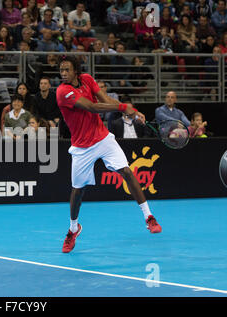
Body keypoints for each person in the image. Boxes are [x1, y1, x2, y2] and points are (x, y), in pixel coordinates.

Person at [56, 56, 161, 254]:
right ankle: (73, 229)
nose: (63, 74)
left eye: (67, 70)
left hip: (103, 139)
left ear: (76, 70)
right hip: (82, 147)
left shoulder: (87, 79)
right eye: (61, 70)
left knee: (127, 172)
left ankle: (149, 217)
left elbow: (105, 100)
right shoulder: (63, 91)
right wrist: (123, 107)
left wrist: (132, 111)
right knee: (78, 191)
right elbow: (92, 106)